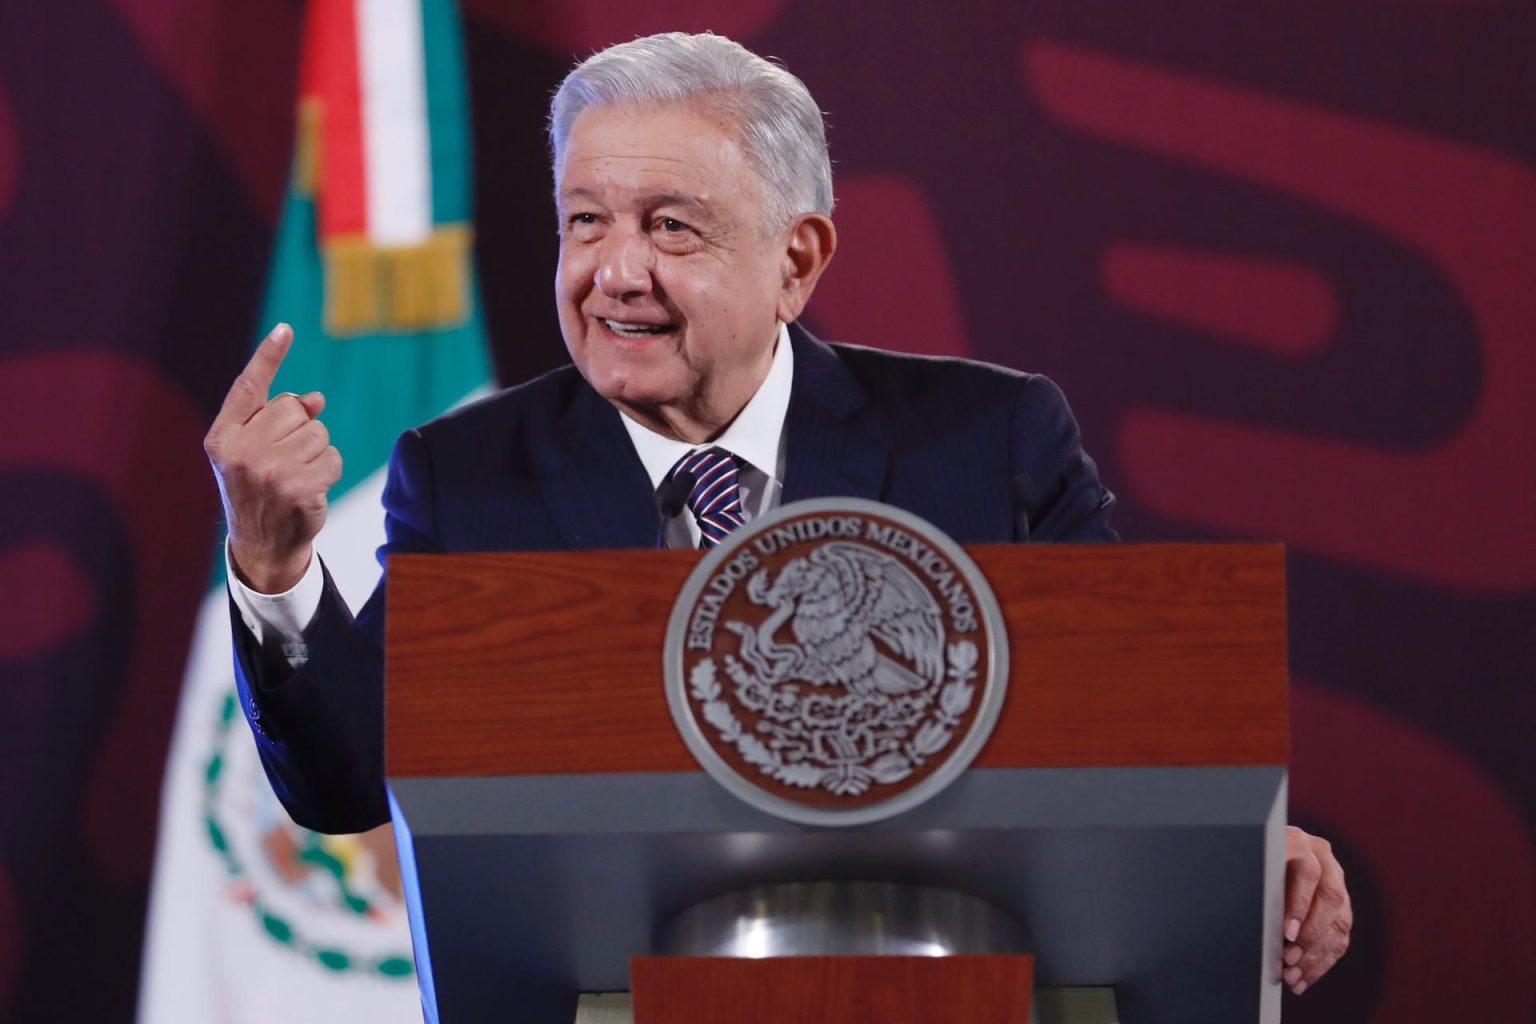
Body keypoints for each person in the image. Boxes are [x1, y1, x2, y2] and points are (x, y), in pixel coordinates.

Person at [203, 31, 1350, 995]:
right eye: (585, 220)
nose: (612, 272)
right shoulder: (471, 472)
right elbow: (348, 782)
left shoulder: (986, 441)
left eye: (670, 227)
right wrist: (273, 561)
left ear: (797, 261)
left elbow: (1128, 734)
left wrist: (1252, 849)